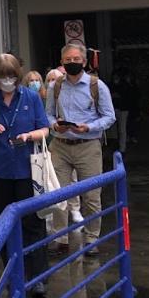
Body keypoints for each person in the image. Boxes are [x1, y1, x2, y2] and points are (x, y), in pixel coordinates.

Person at [0, 55, 51, 297]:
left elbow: (45, 129)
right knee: (5, 222)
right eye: (2, 77)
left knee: (33, 221)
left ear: (18, 77)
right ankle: (11, 274)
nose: (7, 82)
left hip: (29, 169)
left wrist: (30, 136)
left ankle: (37, 276)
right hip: (2, 171)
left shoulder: (30, 97)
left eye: (11, 77)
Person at [46, 43, 116, 257]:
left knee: (92, 196)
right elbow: (47, 114)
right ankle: (61, 239)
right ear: (62, 62)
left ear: (84, 62)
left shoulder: (97, 86)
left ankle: (91, 240)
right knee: (58, 194)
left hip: (88, 146)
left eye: (76, 59)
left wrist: (90, 127)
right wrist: (54, 125)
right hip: (60, 145)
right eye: (68, 60)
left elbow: (109, 116)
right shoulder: (55, 86)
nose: (72, 63)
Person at [111, 65, 141, 153]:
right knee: (121, 129)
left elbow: (129, 97)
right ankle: (121, 146)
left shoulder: (124, 86)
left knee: (122, 129)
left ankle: (122, 147)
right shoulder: (118, 85)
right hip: (118, 108)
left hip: (122, 109)